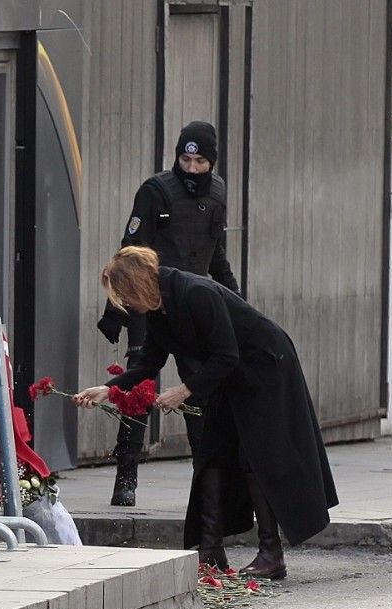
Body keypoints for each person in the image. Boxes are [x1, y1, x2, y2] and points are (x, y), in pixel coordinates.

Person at [76, 246, 338, 578]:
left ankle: (272, 555)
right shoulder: (159, 309)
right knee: (212, 454)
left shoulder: (194, 292)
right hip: (227, 375)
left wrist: (185, 390)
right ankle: (210, 550)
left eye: (126, 296)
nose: (126, 305)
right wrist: (108, 389)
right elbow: (149, 363)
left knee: (255, 456)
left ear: (139, 283)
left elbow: (227, 354)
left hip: (265, 366)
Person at [96, 121, 240, 507]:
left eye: (200, 162)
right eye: (185, 159)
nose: (191, 168)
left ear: (212, 162)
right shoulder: (156, 191)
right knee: (140, 388)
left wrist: (235, 298)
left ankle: (205, 484)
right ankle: (126, 477)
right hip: (150, 302)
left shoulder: (219, 193)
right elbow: (128, 253)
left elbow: (216, 253)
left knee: (198, 393)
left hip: (195, 308)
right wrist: (116, 310)